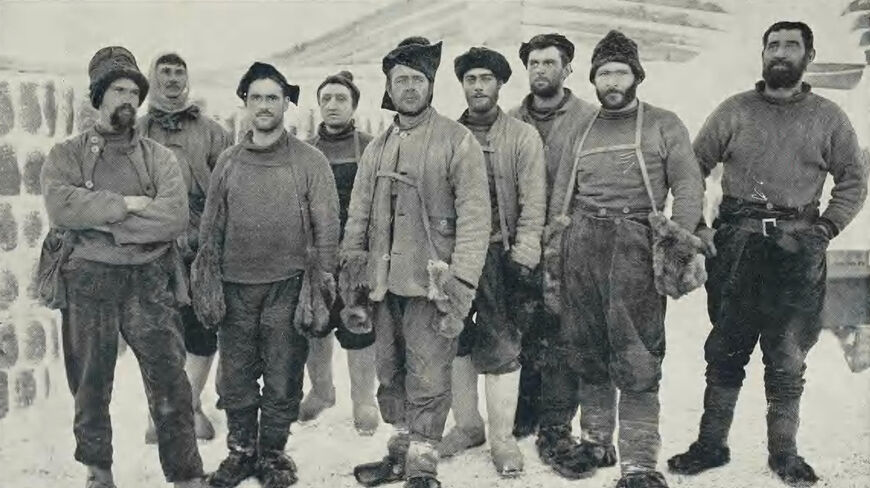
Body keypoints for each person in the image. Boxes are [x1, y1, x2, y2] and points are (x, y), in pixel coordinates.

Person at [667, 21, 868, 487]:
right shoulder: (734, 111)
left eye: (791, 46)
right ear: (762, 54)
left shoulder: (828, 117)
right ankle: (710, 446)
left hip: (798, 247)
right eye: (773, 45)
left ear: (809, 56)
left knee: (788, 355)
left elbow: (854, 180)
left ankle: (785, 454)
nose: (780, 53)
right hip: (737, 244)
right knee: (725, 348)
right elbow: (690, 166)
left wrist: (825, 228)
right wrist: (697, 224)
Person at [40, 46, 206, 488]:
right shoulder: (67, 154)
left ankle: (187, 475)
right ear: (98, 96)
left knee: (171, 381)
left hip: (149, 279)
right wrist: (128, 206)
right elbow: (61, 207)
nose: (127, 99)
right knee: (90, 383)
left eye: (134, 91)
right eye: (118, 90)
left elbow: (173, 217)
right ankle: (98, 471)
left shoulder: (158, 157)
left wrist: (104, 222)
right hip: (88, 280)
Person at [545, 30, 704, 487]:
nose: (612, 81)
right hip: (582, 241)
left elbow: (689, 185)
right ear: (593, 80)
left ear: (636, 75)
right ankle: (597, 441)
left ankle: (639, 462)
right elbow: (562, 192)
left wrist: (677, 240)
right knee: (587, 347)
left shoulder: (663, 124)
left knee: (637, 354)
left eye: (620, 72)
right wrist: (556, 243)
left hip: (636, 242)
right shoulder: (580, 126)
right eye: (604, 73)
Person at [343, 37, 491, 488]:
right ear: (389, 87)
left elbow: (475, 217)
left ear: (431, 86)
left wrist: (460, 282)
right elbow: (359, 213)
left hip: (431, 282)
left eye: (418, 80)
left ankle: (423, 462)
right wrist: (353, 271)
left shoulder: (457, 140)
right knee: (389, 368)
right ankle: (401, 450)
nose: (409, 88)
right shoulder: (377, 147)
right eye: (401, 80)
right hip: (384, 282)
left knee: (429, 370)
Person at [192, 62, 339, 488]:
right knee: (235, 375)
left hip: (288, 287)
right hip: (236, 288)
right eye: (255, 97)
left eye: (272, 97)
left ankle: (273, 453)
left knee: (283, 373)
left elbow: (327, 226)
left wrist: (321, 285)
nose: (263, 105)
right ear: (245, 103)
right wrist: (209, 281)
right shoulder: (229, 161)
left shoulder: (309, 161)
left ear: (286, 104)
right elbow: (211, 226)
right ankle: (240, 452)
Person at [436, 46, 546, 478]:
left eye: (486, 79)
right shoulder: (446, 134)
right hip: (455, 255)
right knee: (455, 338)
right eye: (470, 79)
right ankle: (468, 425)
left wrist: (524, 253)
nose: (478, 87)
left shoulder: (521, 136)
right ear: (461, 85)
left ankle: (502, 438)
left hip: (501, 255)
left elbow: (534, 200)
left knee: (501, 343)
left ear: (500, 85)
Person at [507, 33, 598, 442]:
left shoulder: (590, 119)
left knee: (567, 329)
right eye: (533, 64)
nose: (540, 70)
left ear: (567, 69)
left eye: (548, 63)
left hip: (573, 241)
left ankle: (558, 418)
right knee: (523, 325)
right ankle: (524, 411)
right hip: (521, 240)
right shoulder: (509, 121)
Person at [138, 51, 232, 444]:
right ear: (152, 78)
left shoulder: (211, 131)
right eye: (165, 72)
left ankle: (189, 405)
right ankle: (161, 412)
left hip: (201, 241)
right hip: (153, 242)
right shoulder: (138, 129)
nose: (173, 79)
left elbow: (227, 188)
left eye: (179, 72)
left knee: (202, 325)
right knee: (159, 331)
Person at [299, 70, 379, 436]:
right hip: (316, 252)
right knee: (317, 324)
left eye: (341, 99)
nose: (332, 105)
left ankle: (364, 399)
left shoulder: (371, 146)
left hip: (356, 254)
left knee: (358, 324)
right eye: (326, 98)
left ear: (354, 105)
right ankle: (321, 390)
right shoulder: (304, 150)